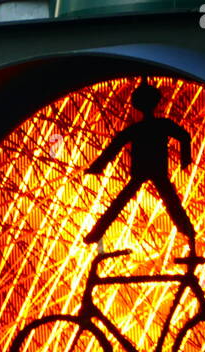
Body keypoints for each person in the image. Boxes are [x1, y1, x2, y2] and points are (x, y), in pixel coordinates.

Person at [83, 81, 196, 254]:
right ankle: (189, 233)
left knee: (120, 204)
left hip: (142, 170)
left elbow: (114, 146)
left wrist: (98, 166)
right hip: (155, 170)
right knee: (171, 202)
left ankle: (95, 233)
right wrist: (185, 159)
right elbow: (184, 136)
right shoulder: (161, 125)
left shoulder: (137, 128)